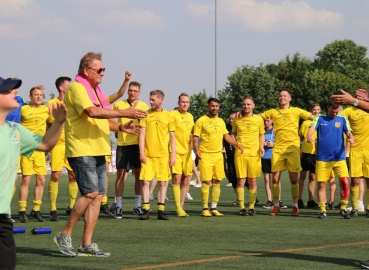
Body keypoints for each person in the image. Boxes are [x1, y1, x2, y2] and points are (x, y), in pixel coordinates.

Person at [54, 52, 146, 257]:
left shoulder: (95, 91)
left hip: (99, 148)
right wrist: (125, 113)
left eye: (104, 69)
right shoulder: (78, 88)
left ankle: (86, 244)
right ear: (86, 71)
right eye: (100, 70)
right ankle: (64, 234)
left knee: (97, 197)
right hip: (82, 149)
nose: (103, 73)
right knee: (89, 193)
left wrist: (123, 128)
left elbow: (104, 118)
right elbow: (93, 113)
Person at [0, 77, 66, 270]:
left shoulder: (15, 130)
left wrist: (59, 122)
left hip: (2, 218)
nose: (14, 92)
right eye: (7, 90)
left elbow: (46, 144)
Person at [260, 89, 314, 216]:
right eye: (280, 95)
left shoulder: (296, 110)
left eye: (285, 95)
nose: (282, 97)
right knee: (275, 178)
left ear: (290, 98)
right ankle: (276, 205)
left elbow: (314, 117)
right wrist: (243, 113)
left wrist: (325, 119)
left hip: (293, 148)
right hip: (278, 148)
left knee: (293, 179)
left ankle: (295, 206)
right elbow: (258, 116)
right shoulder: (273, 112)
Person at [193, 98, 243, 217]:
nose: (214, 108)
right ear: (208, 107)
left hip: (218, 155)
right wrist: (197, 150)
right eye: (212, 106)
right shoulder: (201, 121)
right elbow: (195, 138)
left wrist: (236, 144)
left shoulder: (221, 121)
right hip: (206, 155)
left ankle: (214, 208)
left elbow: (226, 136)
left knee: (217, 181)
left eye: (216, 106)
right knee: (206, 181)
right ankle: (205, 208)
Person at [307, 101, 354, 219]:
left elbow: (348, 131)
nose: (335, 113)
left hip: (339, 158)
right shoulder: (319, 117)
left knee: (345, 182)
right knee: (322, 184)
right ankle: (322, 209)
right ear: (327, 107)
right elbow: (312, 128)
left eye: (337, 111)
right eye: (333, 111)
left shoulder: (342, 118)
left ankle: (343, 208)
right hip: (323, 158)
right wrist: (309, 136)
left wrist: (350, 137)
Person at [112, 81, 149, 218]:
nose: (132, 92)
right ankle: (118, 206)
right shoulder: (119, 105)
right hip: (122, 144)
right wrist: (118, 130)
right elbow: (112, 121)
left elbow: (145, 128)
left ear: (139, 93)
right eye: (130, 90)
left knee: (139, 176)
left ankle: (137, 205)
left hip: (137, 145)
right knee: (120, 175)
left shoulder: (144, 106)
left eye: (135, 91)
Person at [139, 90, 176, 220]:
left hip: (163, 156)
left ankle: (161, 210)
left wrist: (173, 155)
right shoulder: (145, 115)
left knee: (162, 183)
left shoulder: (168, 116)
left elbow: (172, 137)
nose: (150, 102)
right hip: (148, 155)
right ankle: (146, 210)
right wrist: (141, 152)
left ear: (161, 100)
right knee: (144, 182)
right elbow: (142, 134)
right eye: (150, 99)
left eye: (153, 100)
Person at [45, 77, 78, 222]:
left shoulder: (73, 103)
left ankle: (71, 207)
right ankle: (53, 209)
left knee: (73, 176)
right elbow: (44, 123)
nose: (70, 87)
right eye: (68, 85)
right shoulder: (51, 104)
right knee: (55, 176)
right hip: (57, 145)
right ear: (61, 88)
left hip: (71, 144)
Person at [18, 85, 50, 223]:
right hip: (26, 149)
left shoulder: (46, 110)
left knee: (41, 180)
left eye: (41, 95)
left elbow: (54, 124)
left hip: (40, 149)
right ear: (30, 96)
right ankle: (22, 210)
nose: (38, 97)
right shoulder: (23, 109)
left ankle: (36, 209)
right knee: (26, 180)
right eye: (36, 95)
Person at [231, 96, 264, 216]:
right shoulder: (237, 119)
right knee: (240, 180)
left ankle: (251, 207)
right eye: (244, 104)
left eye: (249, 104)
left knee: (253, 180)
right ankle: (241, 208)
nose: (246, 106)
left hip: (254, 154)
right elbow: (233, 133)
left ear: (253, 106)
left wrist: (261, 146)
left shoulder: (259, 120)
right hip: (240, 153)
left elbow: (261, 134)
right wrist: (235, 144)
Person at [339, 96, 369, 217]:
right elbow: (336, 115)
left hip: (368, 150)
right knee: (355, 180)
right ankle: (355, 207)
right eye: (357, 96)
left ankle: (368, 208)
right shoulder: (349, 110)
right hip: (355, 150)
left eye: (362, 96)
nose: (359, 98)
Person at [5, 78, 25, 221]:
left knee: (13, 178)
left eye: (16, 86)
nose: (15, 89)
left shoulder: (20, 100)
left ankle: (6, 212)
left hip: (14, 140)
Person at [171, 93, 194, 217]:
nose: (185, 104)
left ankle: (182, 206)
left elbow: (194, 133)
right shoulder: (172, 115)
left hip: (187, 153)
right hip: (176, 152)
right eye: (183, 102)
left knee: (186, 181)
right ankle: (177, 207)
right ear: (178, 103)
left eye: (187, 102)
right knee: (177, 178)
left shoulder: (190, 116)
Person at [297, 103, 321, 209]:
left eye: (318, 109)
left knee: (313, 177)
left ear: (320, 111)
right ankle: (299, 199)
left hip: (316, 153)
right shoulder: (306, 123)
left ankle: (311, 200)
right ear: (311, 111)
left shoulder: (322, 122)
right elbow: (299, 136)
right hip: (306, 152)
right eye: (314, 109)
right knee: (302, 176)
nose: (316, 111)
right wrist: (299, 150)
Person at [223, 113, 238, 204]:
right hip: (229, 156)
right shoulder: (226, 128)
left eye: (233, 119)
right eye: (230, 119)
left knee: (245, 179)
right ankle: (238, 198)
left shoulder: (241, 127)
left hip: (240, 156)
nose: (231, 120)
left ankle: (253, 198)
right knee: (232, 177)